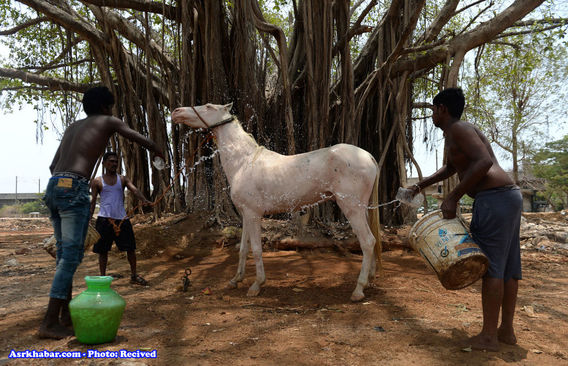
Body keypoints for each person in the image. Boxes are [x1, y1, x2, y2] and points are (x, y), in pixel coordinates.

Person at [40, 86, 164, 339]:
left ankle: (64, 317)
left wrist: (64, 185)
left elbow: (53, 165)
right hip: (74, 186)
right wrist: (157, 148)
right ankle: (49, 322)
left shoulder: (73, 127)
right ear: (107, 107)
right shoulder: (109, 120)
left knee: (64, 254)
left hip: (54, 186)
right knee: (71, 258)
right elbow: (135, 137)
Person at [409, 88, 522, 352]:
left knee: (492, 267)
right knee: (507, 267)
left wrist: (454, 197)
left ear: (442, 109)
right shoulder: (454, 133)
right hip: (506, 197)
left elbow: (482, 162)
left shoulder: (459, 129)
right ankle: (505, 330)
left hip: (495, 199)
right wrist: (420, 186)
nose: (432, 116)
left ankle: (488, 337)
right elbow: (452, 168)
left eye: (433, 110)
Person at [90, 151, 150, 285]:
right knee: (103, 251)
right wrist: (89, 219)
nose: (114, 164)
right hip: (104, 220)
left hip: (122, 220)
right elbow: (93, 201)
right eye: (111, 161)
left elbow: (134, 190)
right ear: (104, 163)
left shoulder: (123, 179)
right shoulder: (97, 181)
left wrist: (144, 199)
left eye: (116, 162)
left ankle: (134, 276)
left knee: (131, 249)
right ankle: (102, 279)